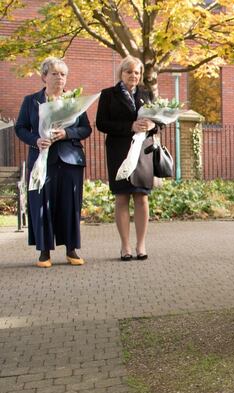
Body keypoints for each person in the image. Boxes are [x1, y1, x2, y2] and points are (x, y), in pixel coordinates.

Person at [15, 57, 92, 268]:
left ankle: (71, 249)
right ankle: (44, 252)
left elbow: (86, 128)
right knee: (42, 204)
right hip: (42, 159)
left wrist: (67, 133)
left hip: (70, 160)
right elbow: (20, 127)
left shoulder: (74, 101)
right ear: (44, 76)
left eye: (63, 74)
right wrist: (36, 140)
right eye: (55, 73)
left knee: (70, 205)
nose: (60, 78)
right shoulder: (31, 101)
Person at [96, 55, 158, 261]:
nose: (133, 75)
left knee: (141, 197)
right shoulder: (108, 95)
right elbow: (101, 123)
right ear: (121, 73)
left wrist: (152, 126)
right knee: (122, 197)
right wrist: (129, 126)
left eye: (137, 72)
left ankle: (141, 245)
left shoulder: (147, 94)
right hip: (119, 151)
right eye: (129, 71)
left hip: (143, 152)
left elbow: (160, 120)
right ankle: (125, 247)